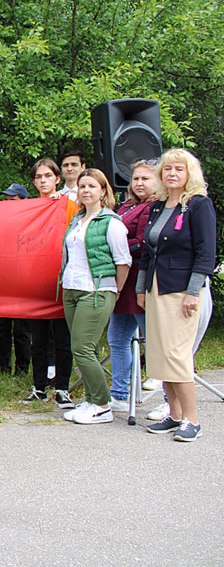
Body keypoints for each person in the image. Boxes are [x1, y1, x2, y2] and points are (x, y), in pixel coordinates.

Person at [138, 149, 216, 442]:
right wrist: (141, 289)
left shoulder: (198, 205)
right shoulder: (158, 206)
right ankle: (175, 414)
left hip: (182, 289)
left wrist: (193, 292)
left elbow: (206, 253)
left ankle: (193, 420)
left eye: (178, 170)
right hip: (156, 288)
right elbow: (148, 251)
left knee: (177, 355)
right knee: (159, 355)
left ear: (189, 174)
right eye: (167, 169)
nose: (172, 174)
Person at [60, 169, 131, 425]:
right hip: (72, 288)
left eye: (92, 185)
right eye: (82, 186)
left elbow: (123, 261)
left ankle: (102, 405)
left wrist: (115, 290)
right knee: (79, 347)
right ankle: (91, 399)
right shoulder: (77, 220)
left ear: (103, 191)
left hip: (97, 289)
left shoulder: (111, 223)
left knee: (83, 348)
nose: (86, 190)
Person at [21, 158, 77, 409]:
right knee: (39, 338)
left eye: (47, 176)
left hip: (63, 280)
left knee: (63, 338)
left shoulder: (71, 206)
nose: (42, 181)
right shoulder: (28, 207)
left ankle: (63, 388)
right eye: (38, 177)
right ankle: (39, 387)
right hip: (35, 281)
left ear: (57, 179)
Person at [105, 160, 158, 413]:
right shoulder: (127, 205)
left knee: (155, 342)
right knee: (117, 339)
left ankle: (172, 403)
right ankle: (119, 394)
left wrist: (116, 248)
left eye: (145, 179)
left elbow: (144, 240)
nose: (139, 183)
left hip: (140, 278)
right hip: (122, 280)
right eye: (136, 179)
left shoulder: (154, 207)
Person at [0, 183, 32, 375]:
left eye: (13, 200)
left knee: (22, 329)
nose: (8, 203)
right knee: (0, 326)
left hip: (23, 282)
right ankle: (2, 365)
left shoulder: (33, 221)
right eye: (5, 199)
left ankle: (22, 368)